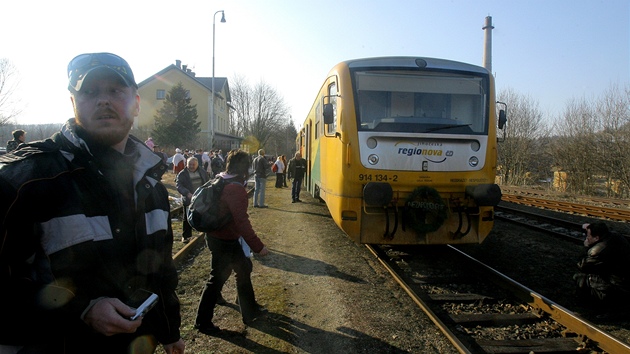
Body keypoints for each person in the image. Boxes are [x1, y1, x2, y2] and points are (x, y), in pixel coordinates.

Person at [0, 52, 185, 353]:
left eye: (115, 90)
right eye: (89, 92)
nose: (103, 100)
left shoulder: (153, 188)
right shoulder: (27, 182)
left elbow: (161, 272)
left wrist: (169, 331)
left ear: (136, 103)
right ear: (73, 104)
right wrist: (82, 309)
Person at [195, 149, 270, 334]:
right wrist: (258, 247)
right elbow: (241, 221)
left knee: (243, 269)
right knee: (217, 279)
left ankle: (250, 311)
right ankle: (203, 322)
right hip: (224, 240)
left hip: (219, 237)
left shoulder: (222, 178)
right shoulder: (235, 188)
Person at [574, 222, 630, 315]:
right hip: (625, 280)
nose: (587, 238)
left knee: (580, 278)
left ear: (596, 238)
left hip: (617, 287)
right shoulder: (615, 236)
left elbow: (581, 265)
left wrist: (586, 247)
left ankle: (601, 307)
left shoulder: (597, 251)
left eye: (588, 236)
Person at [176, 156, 209, 243]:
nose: (191, 166)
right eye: (189, 164)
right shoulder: (182, 174)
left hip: (200, 198)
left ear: (197, 164)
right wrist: (187, 193)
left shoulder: (202, 171)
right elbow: (179, 185)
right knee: (187, 218)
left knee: (202, 215)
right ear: (186, 164)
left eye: (193, 164)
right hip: (189, 199)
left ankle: (203, 232)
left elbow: (207, 182)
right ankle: (186, 236)